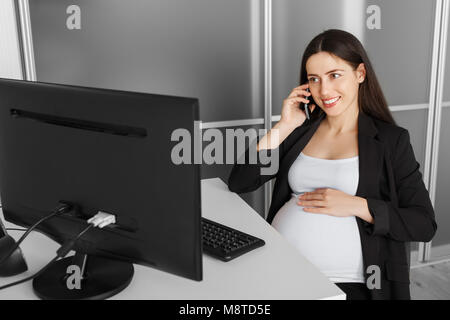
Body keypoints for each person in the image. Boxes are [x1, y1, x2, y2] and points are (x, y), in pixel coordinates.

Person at [228, 29, 437, 300]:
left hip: (347, 284)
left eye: (334, 75)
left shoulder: (390, 141)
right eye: (314, 79)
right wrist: (285, 125)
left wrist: (357, 205)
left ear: (360, 74)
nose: (324, 90)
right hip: (282, 270)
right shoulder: (300, 132)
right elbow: (241, 181)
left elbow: (423, 224)